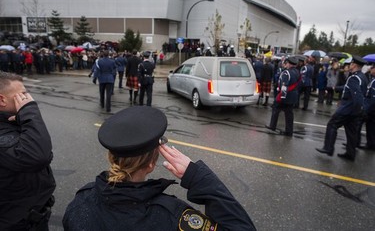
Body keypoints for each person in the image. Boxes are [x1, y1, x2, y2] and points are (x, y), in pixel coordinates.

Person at [63, 106, 256, 231]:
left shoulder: (80, 202)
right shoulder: (170, 216)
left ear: (112, 156)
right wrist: (199, 178)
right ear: (150, 164)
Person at [0, 71, 56, 230]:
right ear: (2, 100)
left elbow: (45, 151)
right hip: (16, 223)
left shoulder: (12, 120)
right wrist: (29, 111)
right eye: (22, 95)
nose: (28, 98)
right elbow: (37, 156)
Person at [316, 56, 368, 161]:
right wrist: (337, 88)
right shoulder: (362, 76)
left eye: (351, 64)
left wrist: (357, 109)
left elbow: (357, 95)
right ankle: (350, 153)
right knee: (351, 132)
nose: (349, 66)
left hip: (348, 108)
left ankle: (328, 148)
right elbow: (348, 88)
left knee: (332, 124)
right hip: (354, 109)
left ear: (354, 65)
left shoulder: (354, 78)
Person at [266, 57, 300, 136]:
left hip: (286, 96)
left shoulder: (286, 73)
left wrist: (281, 97)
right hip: (293, 95)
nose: (285, 65)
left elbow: (284, 86)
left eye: (286, 63)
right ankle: (289, 131)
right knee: (289, 114)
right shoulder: (297, 72)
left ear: (289, 64)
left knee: (275, 109)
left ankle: (272, 126)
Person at [363, 64, 375, 150]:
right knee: (370, 127)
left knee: (371, 127)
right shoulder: (373, 79)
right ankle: (370, 144)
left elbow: (373, 98)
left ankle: (371, 144)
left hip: (372, 110)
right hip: (370, 108)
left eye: (373, 67)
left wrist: (366, 110)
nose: (371, 69)